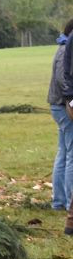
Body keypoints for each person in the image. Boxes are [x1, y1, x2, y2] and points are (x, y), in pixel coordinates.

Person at [47, 19, 73, 211]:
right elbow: (63, 78)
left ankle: (59, 201)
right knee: (70, 154)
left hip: (60, 105)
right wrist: (70, 101)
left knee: (63, 152)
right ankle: (68, 201)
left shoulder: (63, 46)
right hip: (63, 106)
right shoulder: (66, 49)